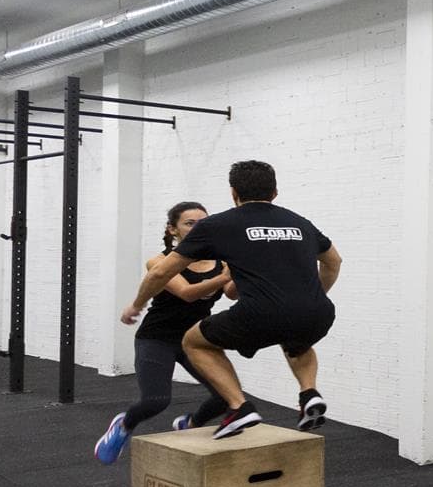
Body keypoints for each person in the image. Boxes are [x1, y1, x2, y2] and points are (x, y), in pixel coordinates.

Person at [121, 160, 342, 438]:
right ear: (274, 193)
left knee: (193, 341)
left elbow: (160, 273)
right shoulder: (299, 222)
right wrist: (313, 298)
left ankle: (239, 408)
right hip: (318, 313)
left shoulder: (219, 225)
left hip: (260, 314)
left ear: (234, 193)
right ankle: (309, 392)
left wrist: (137, 305)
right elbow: (334, 262)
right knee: (296, 339)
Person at [93, 201, 232, 463]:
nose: (198, 227)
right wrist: (226, 276)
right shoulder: (160, 262)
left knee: (227, 397)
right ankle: (123, 425)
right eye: (190, 223)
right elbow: (188, 293)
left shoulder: (221, 261)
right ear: (173, 229)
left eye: (204, 222)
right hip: (158, 338)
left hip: (196, 339)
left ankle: (190, 423)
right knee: (156, 400)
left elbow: (232, 294)